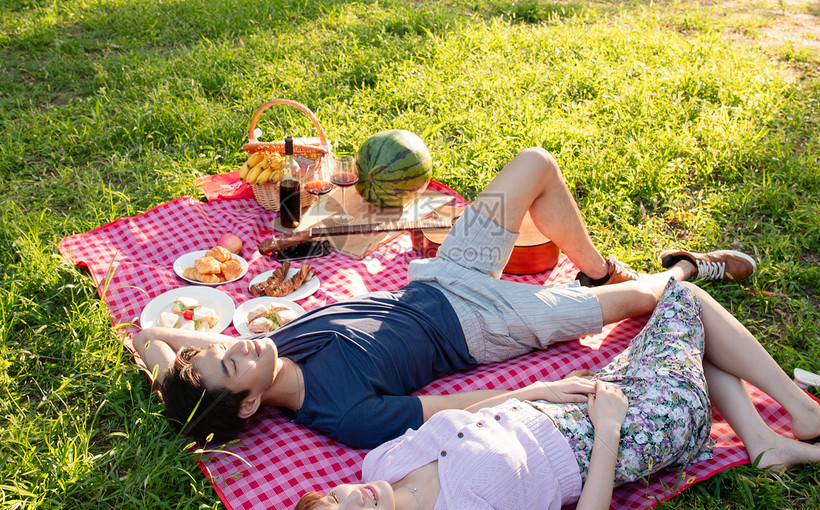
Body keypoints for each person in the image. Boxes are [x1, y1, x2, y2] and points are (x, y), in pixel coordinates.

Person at [135, 147, 755, 450]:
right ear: (248, 407)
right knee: (638, 301)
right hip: (482, 325)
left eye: (223, 350)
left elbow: (147, 336)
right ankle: (690, 269)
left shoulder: (269, 346)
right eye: (231, 362)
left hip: (437, 277)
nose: (235, 344)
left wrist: (178, 383)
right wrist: (535, 392)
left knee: (535, 163)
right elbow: (453, 407)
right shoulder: (344, 416)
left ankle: (594, 269)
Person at [272, 279, 820, 510]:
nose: (353, 501)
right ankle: (798, 413)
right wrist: (608, 428)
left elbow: (467, 416)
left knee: (689, 340)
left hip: (574, 402)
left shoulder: (382, 462)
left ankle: (764, 442)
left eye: (333, 500)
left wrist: (532, 391)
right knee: (688, 303)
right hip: (636, 429)